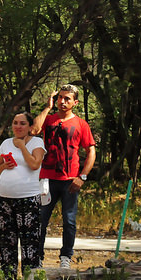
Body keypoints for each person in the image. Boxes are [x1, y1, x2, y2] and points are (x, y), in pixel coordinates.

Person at [31, 84, 96, 269]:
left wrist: (82, 176)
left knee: (69, 220)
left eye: (67, 98)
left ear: (75, 102)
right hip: (47, 179)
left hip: (70, 181)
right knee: (41, 220)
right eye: (60, 97)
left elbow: (91, 151)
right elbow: (34, 130)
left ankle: (66, 257)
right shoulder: (49, 119)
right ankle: (37, 257)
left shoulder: (81, 124)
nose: (62, 101)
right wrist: (47, 107)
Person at [0, 112, 46, 280]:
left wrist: (22, 146)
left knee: (29, 240)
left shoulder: (37, 142)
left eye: (22, 123)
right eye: (15, 123)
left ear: (30, 127)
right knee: (6, 239)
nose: (18, 126)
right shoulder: (6, 143)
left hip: (28, 198)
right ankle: (8, 278)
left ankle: (31, 278)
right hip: (5, 198)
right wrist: (4, 166)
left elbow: (34, 164)